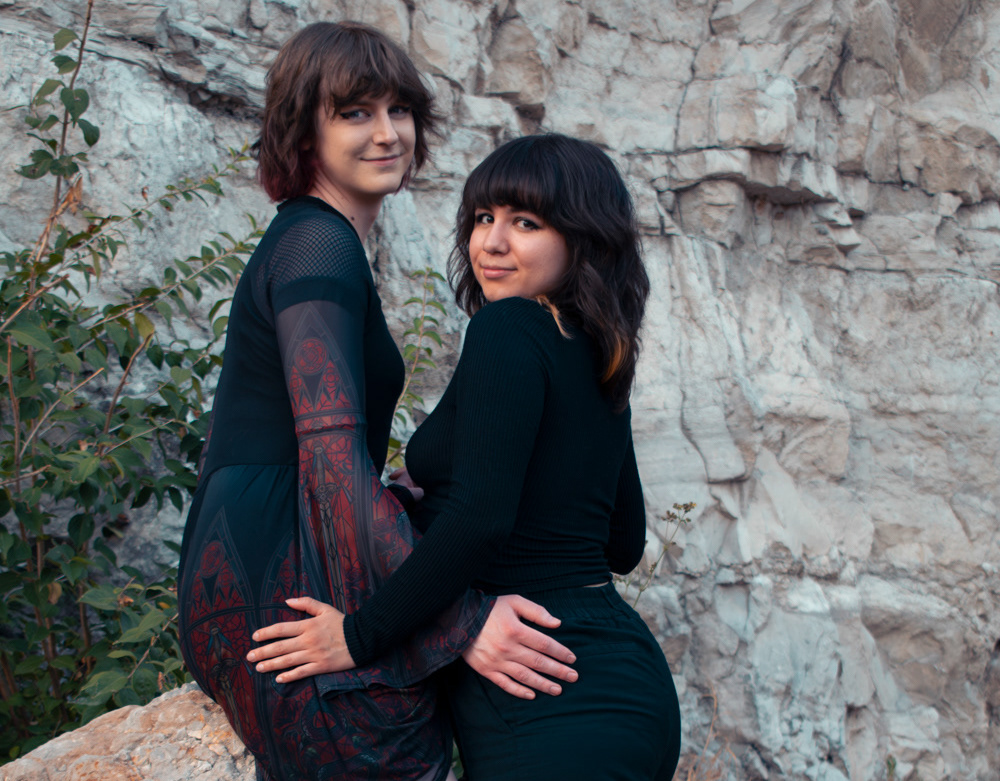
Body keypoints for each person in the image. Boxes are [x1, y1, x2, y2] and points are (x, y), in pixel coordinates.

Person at [177, 23, 574, 781]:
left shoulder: (320, 242)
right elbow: (329, 457)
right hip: (272, 570)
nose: (388, 133)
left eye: (400, 110)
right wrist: (465, 622)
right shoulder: (317, 245)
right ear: (304, 130)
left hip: (280, 545)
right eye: (355, 113)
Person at [251, 133, 683, 779]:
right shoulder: (599, 351)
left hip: (548, 700)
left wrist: (357, 635)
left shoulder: (510, 328)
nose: (492, 243)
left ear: (584, 237)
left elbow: (481, 520)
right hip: (629, 686)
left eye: (526, 223)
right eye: (483, 217)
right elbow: (622, 542)